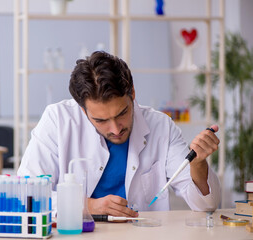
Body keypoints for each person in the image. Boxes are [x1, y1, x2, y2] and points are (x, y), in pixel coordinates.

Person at [18, 51, 221, 218]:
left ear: (132, 93)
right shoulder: (57, 120)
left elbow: (207, 205)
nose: (115, 129)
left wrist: (198, 164)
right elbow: (26, 193)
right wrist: (86, 206)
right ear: (82, 110)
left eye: (122, 113)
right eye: (101, 120)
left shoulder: (161, 126)